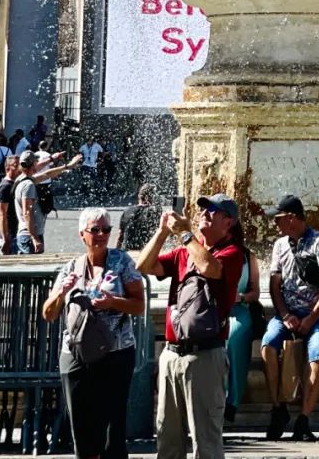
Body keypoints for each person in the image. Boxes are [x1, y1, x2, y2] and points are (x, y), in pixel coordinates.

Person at [135, 195, 244, 459]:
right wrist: (162, 232)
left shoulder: (232, 252)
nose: (204, 213)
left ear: (227, 222)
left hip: (205, 355)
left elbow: (209, 267)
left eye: (213, 210)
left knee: (205, 442)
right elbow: (144, 265)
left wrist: (185, 234)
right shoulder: (184, 253)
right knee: (167, 440)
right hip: (172, 354)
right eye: (203, 209)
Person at [43, 205, 145, 459]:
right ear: (82, 234)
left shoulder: (122, 262)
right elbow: (49, 313)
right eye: (95, 230)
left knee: (112, 428)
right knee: (81, 425)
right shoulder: (71, 267)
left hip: (115, 352)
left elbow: (140, 306)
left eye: (106, 229)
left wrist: (113, 303)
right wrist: (60, 293)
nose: (101, 235)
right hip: (76, 354)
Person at [258, 193, 319, 442]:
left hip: (316, 316)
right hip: (287, 315)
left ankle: (303, 419)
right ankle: (278, 408)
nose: (275, 223)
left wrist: (312, 317)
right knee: (267, 346)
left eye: (279, 218)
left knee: (317, 358)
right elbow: (274, 286)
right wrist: (284, 314)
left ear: (292, 218)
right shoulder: (279, 245)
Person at [14, 149, 82, 254]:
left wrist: (67, 166)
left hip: (27, 235)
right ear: (34, 164)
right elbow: (27, 213)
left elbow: (47, 174)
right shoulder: (28, 185)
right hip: (29, 236)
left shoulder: (22, 179)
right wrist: (35, 238)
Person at [223, 237, 261, 425]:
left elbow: (255, 293)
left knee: (234, 337)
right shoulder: (209, 252)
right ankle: (218, 399)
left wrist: (242, 297)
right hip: (215, 309)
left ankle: (232, 400)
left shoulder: (248, 256)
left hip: (240, 309)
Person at [117, 185, 161, 252]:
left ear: (139, 196)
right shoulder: (154, 213)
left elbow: (120, 236)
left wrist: (116, 254)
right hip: (144, 254)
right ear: (152, 197)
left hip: (126, 253)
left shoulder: (127, 211)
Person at [0, 153, 20, 255]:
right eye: (16, 165)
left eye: (20, 165)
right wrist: (5, 239)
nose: (19, 169)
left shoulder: (17, 182)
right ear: (7, 168)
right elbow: (2, 214)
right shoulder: (5, 187)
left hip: (17, 232)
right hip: (10, 234)